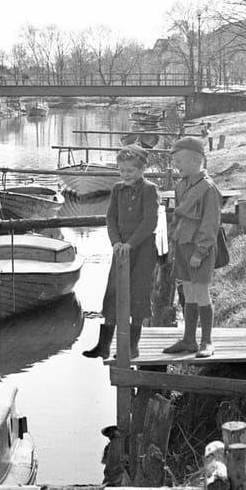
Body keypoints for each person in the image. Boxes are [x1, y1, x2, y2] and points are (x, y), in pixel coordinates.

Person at [83, 145, 159, 360]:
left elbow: (149, 222)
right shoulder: (117, 189)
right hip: (121, 251)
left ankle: (132, 347)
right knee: (113, 293)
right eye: (122, 170)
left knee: (138, 294)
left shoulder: (149, 190)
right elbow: (111, 218)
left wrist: (130, 244)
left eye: (130, 171)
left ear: (141, 170)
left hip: (142, 250)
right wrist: (116, 242)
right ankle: (103, 345)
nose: (125, 175)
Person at [163, 136, 222, 358]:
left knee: (201, 293)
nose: (176, 166)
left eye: (180, 161)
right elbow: (179, 219)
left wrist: (200, 252)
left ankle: (207, 342)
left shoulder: (208, 189)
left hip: (200, 250)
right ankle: (189, 340)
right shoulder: (181, 185)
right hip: (183, 245)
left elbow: (210, 224)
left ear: (196, 160)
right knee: (188, 293)